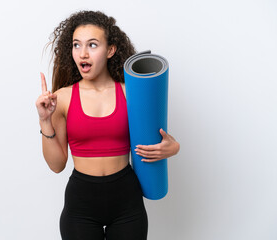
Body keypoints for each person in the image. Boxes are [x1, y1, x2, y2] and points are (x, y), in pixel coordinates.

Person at [35, 10, 180, 240]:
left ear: (110, 50)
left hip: (127, 203)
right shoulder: (61, 98)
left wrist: (173, 148)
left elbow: (157, 139)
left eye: (92, 45)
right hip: (80, 206)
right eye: (76, 45)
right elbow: (56, 165)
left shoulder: (130, 93)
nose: (83, 53)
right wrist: (45, 120)